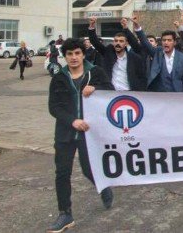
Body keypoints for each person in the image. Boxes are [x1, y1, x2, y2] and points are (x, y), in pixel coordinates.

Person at [47, 38, 114, 233]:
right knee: (62, 173)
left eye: (77, 53)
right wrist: (72, 120)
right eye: (69, 54)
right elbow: (54, 107)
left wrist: (96, 88)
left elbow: (111, 93)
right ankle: (65, 214)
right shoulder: (59, 77)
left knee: (87, 169)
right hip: (65, 132)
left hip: (89, 133)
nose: (74, 57)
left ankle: (104, 188)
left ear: (83, 54)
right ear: (65, 56)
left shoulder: (96, 72)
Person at [132, 16, 183, 92]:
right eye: (164, 40)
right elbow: (145, 43)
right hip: (159, 96)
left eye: (169, 40)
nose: (166, 42)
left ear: (174, 42)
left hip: (177, 96)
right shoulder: (157, 53)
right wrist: (137, 27)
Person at [88, 18, 147, 92]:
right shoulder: (108, 53)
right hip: (110, 92)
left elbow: (142, 78)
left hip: (129, 93)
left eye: (121, 41)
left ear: (126, 44)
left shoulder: (134, 58)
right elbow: (95, 42)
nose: (118, 43)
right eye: (116, 41)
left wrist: (125, 28)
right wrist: (92, 26)